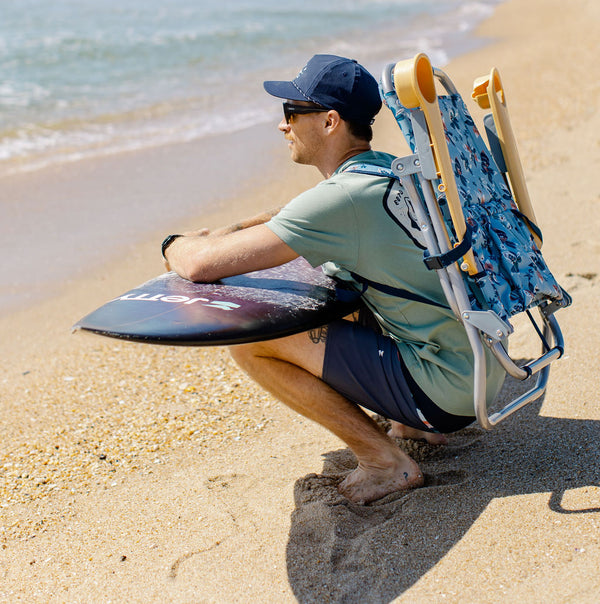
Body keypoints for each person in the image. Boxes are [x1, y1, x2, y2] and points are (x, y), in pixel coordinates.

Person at [163, 54, 505, 504]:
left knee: (247, 340)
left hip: (448, 392)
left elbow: (200, 266)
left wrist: (175, 244)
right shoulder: (386, 168)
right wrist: (232, 230)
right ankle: (407, 424)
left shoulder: (341, 201)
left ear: (328, 122)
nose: (282, 126)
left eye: (291, 113)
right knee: (353, 292)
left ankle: (385, 462)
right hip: (484, 366)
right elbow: (286, 214)